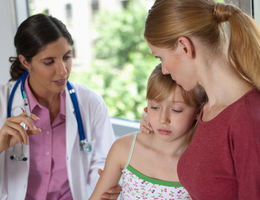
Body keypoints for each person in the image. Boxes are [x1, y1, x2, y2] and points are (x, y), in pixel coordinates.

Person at [143, 0, 260, 199]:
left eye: (160, 58)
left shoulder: (248, 119)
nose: (164, 70)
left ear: (184, 47)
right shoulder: (205, 109)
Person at [0, 14, 120, 200]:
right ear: (25, 62)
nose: (63, 70)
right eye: (49, 62)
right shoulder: (2, 102)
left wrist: (106, 183)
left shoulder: (90, 103)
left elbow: (105, 163)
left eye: (66, 57)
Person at [89, 64, 206, 200]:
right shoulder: (123, 149)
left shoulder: (202, 165)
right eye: (155, 107)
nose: (163, 119)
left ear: (198, 111)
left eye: (176, 110)